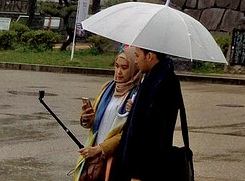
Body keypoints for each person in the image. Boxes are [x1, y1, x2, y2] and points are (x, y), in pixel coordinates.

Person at [114, 46, 183, 181]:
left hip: (147, 169)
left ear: (149, 56)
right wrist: (135, 108)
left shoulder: (162, 82)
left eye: (137, 56)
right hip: (142, 166)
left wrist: (138, 173)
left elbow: (154, 133)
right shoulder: (153, 77)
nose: (135, 61)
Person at [75, 50, 142, 181]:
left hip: (116, 158)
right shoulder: (107, 88)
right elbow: (93, 123)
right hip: (94, 154)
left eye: (124, 67)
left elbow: (127, 133)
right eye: (116, 66)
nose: (119, 72)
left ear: (135, 69)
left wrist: (100, 149)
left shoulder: (137, 94)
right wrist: (86, 118)